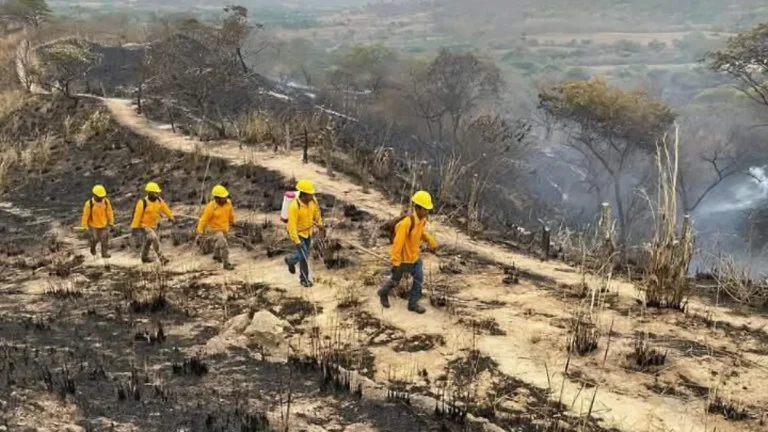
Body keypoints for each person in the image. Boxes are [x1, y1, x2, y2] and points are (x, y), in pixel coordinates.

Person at [377, 190, 438, 314]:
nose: (427, 212)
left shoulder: (421, 221)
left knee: (418, 279)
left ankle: (413, 304)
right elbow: (397, 244)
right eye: (425, 209)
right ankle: (383, 292)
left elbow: (419, 233)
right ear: (418, 208)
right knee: (395, 281)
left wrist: (429, 239)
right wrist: (395, 261)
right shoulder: (406, 223)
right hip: (403, 260)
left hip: (415, 258)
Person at [284, 179, 324, 287]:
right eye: (310, 195)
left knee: (304, 255)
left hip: (308, 232)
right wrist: (297, 241)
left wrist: (320, 225)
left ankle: (291, 260)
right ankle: (304, 279)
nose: (312, 196)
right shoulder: (294, 206)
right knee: (304, 256)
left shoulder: (313, 201)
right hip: (297, 233)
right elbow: (291, 226)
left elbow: (317, 213)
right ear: (304, 195)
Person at [131, 181, 175, 264]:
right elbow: (137, 216)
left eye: (158, 193)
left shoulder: (159, 200)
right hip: (144, 226)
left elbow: (165, 209)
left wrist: (171, 217)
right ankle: (162, 258)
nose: (157, 194)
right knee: (154, 238)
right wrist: (134, 228)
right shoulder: (142, 202)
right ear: (150, 192)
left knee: (149, 241)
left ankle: (144, 257)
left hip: (154, 226)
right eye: (155, 193)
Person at [196, 185, 236, 271]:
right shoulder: (210, 207)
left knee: (220, 241)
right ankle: (226, 263)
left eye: (225, 197)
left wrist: (232, 221)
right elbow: (203, 220)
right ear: (216, 198)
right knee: (223, 243)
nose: (225, 199)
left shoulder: (228, 203)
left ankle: (216, 255)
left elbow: (231, 213)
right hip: (214, 229)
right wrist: (200, 231)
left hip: (224, 228)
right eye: (222, 198)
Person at [81, 184, 114, 258]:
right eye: (100, 197)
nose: (101, 198)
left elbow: (109, 212)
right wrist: (85, 227)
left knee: (105, 239)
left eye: (102, 197)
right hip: (93, 226)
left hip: (104, 224)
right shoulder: (89, 204)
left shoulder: (106, 201)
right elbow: (85, 216)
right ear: (94, 195)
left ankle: (104, 253)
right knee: (95, 239)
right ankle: (93, 247)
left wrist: (111, 223)